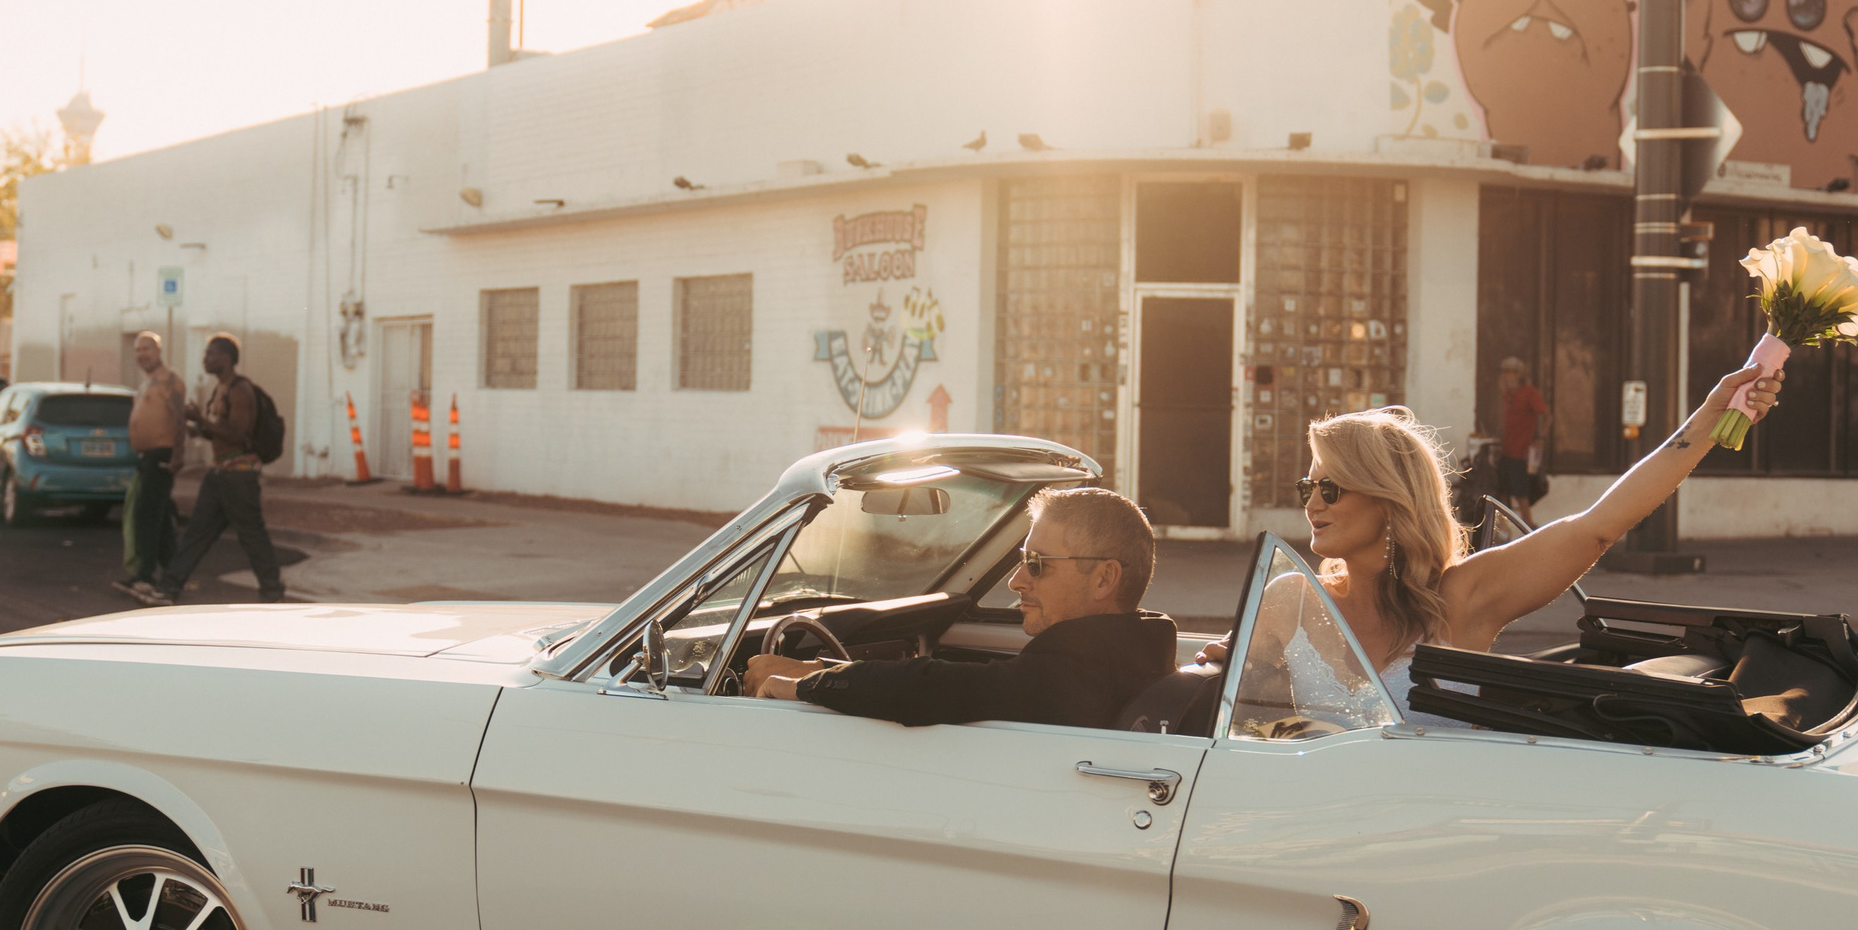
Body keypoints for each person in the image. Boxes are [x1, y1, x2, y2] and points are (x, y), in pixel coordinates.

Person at [1210, 358, 1783, 728]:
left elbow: (1597, 525)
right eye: (1308, 485)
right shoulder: (1290, 598)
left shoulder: (1463, 596)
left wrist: (1708, 421)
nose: (1311, 503)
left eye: (1330, 487)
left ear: (1388, 498)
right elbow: (1235, 715)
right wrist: (1215, 665)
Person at [741, 485, 1177, 728]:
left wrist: (805, 681)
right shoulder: (1138, 651)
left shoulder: (1076, 672)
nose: (1015, 580)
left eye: (1036, 564)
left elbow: (934, 688)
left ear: (1104, 578)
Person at [132, 334, 286, 606]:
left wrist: (200, 419)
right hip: (220, 474)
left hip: (239, 476)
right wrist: (192, 428)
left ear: (226, 359)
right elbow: (219, 434)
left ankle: (272, 592)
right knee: (196, 534)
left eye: (210, 355)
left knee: (252, 536)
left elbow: (238, 434)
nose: (205, 359)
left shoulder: (240, 390)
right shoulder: (220, 390)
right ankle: (168, 589)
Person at [113, 332, 185, 599]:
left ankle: (144, 575)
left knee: (146, 515)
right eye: (137, 350)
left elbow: (179, 419)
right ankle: (173, 572)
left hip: (162, 454)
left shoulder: (170, 380)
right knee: (160, 516)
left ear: (158, 351)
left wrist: (178, 454)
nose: (141, 354)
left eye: (147, 349)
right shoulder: (146, 383)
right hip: (146, 457)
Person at [1495, 355, 1551, 524]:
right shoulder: (1507, 394)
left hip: (1521, 451)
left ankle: (1529, 528)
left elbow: (1547, 416)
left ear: (1519, 374)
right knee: (1502, 492)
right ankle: (1503, 531)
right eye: (1505, 371)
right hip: (1506, 449)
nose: (1508, 375)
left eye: (1512, 372)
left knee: (1521, 494)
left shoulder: (1529, 393)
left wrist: (1540, 437)